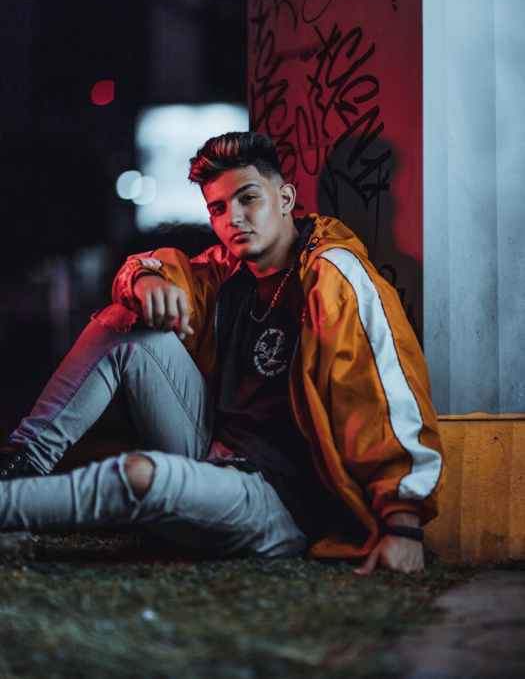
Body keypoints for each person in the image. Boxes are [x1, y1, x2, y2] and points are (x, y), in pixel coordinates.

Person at [0, 132, 444, 574]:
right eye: (218, 208)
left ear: (285, 198)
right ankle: (20, 465)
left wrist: (402, 527)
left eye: (248, 198)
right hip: (209, 453)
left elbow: (383, 396)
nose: (234, 218)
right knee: (126, 321)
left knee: (139, 475)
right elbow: (154, 266)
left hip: (280, 502)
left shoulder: (333, 277)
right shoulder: (228, 272)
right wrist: (146, 279)